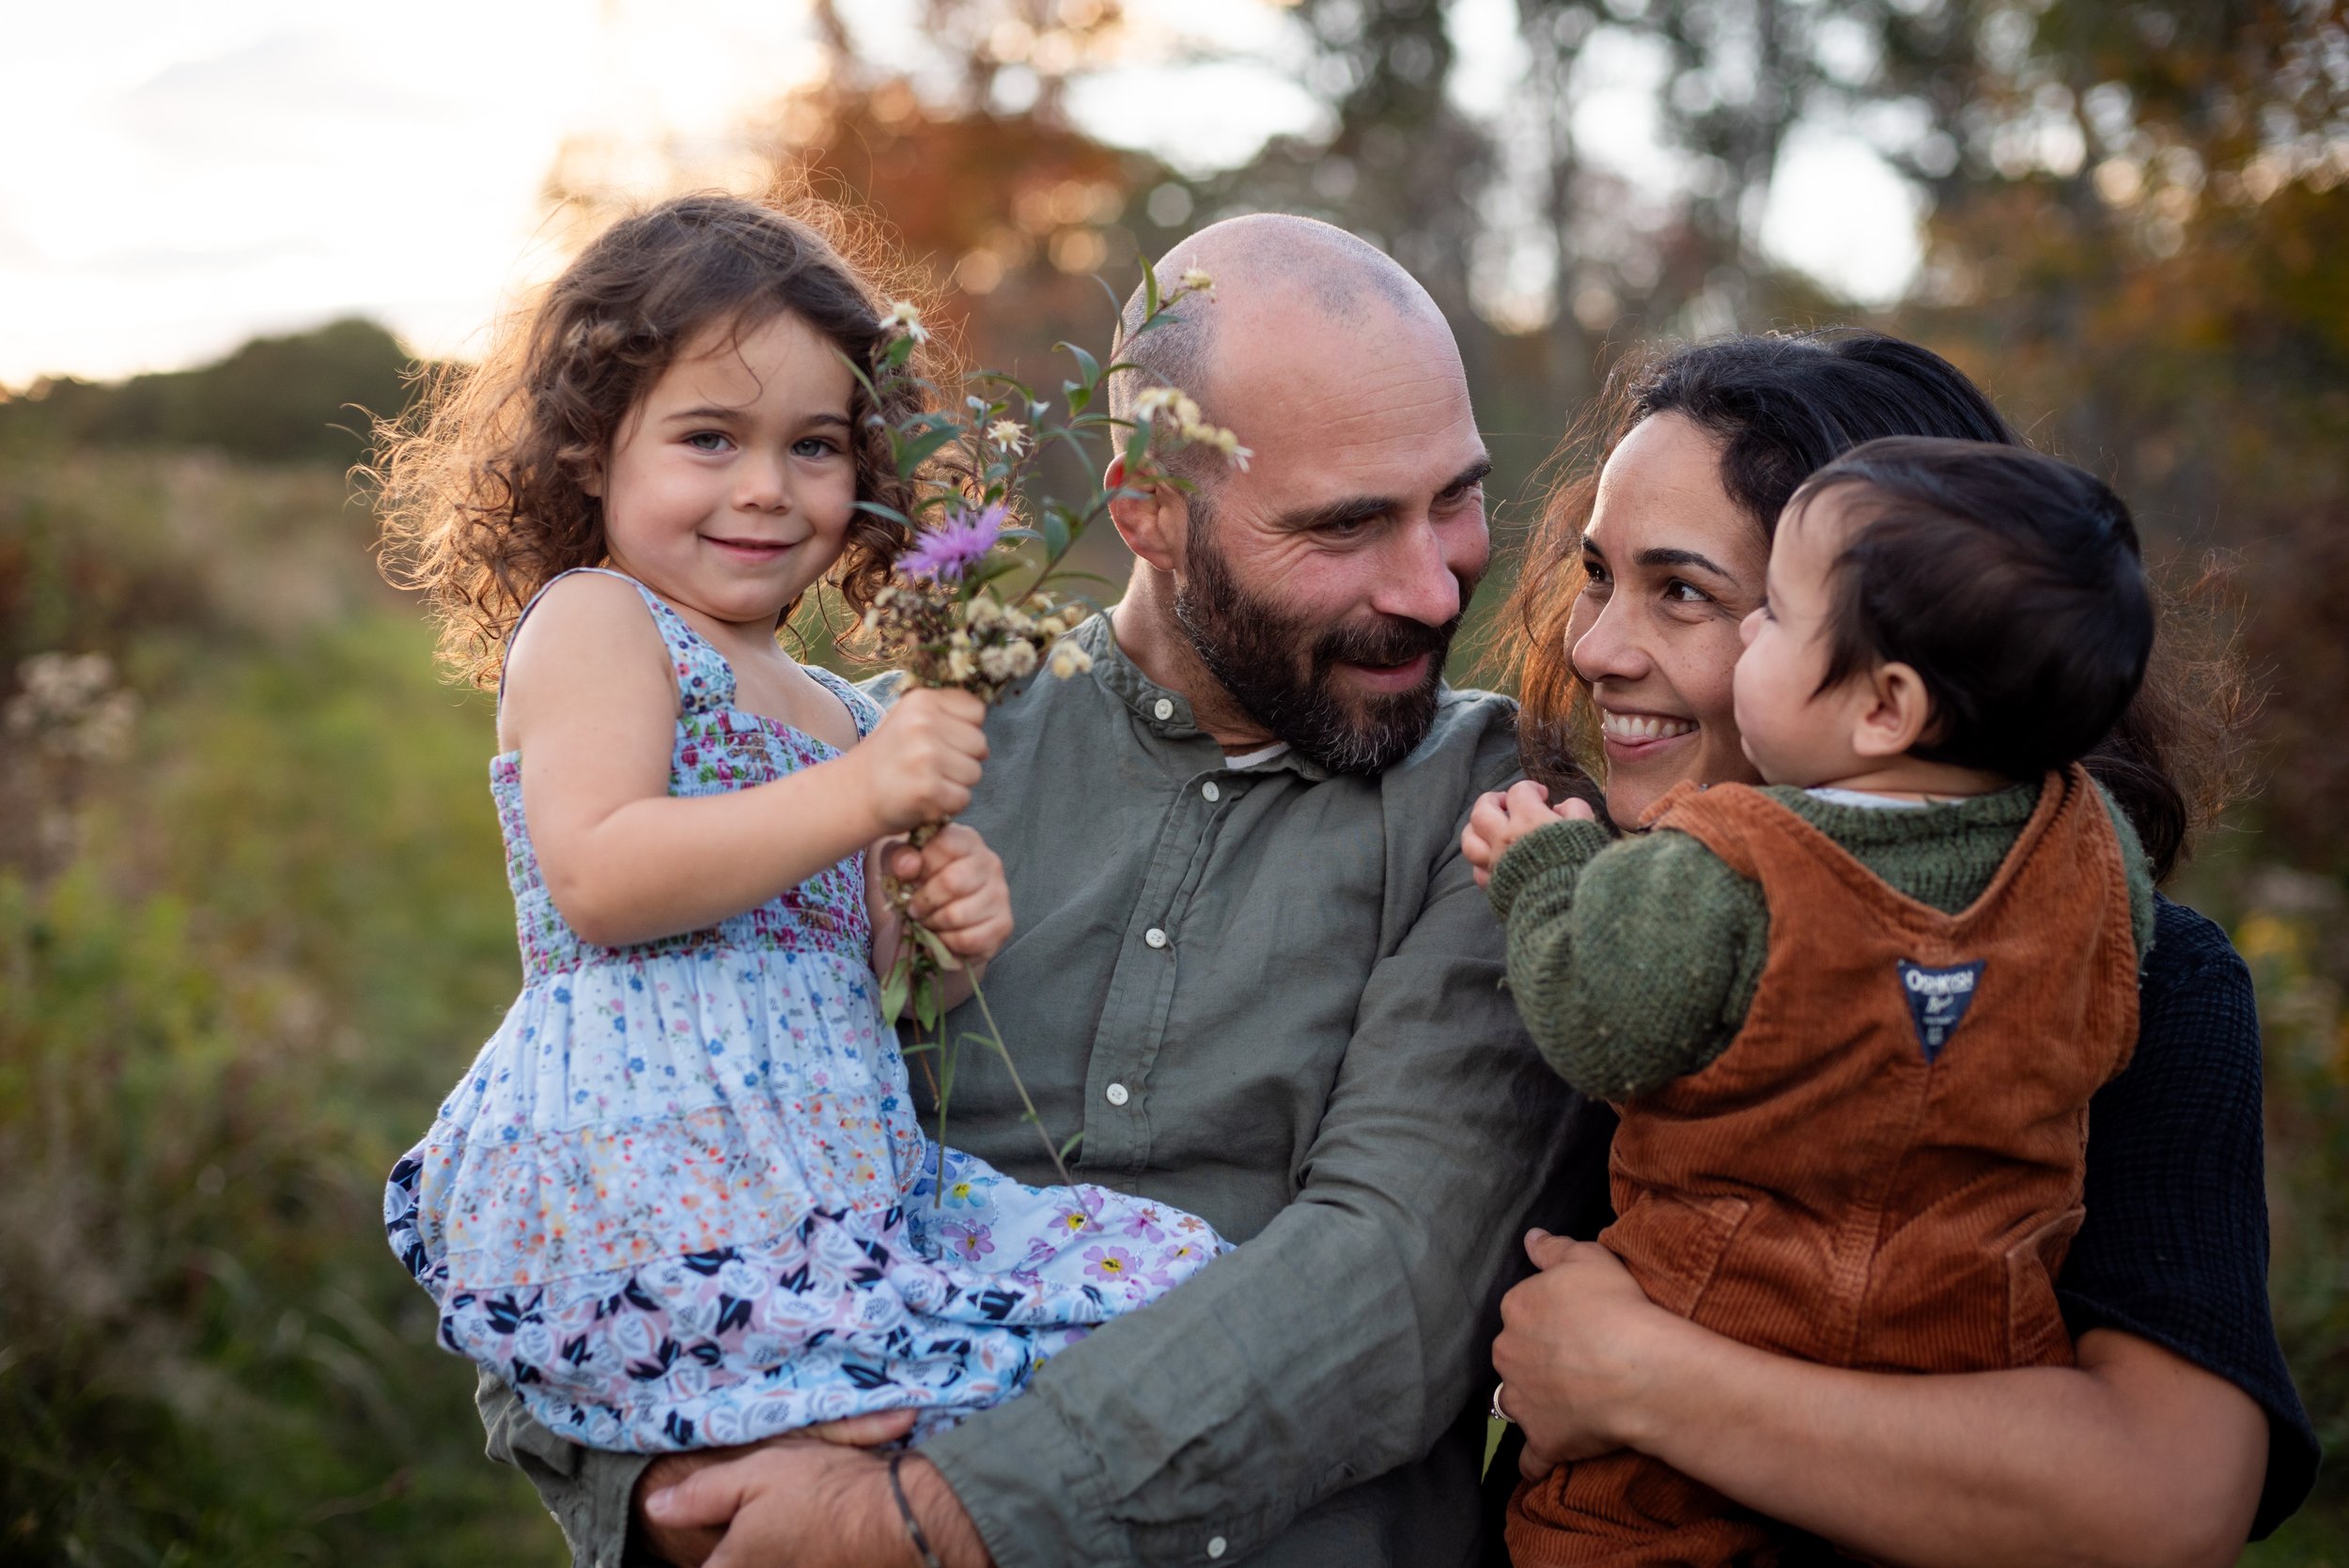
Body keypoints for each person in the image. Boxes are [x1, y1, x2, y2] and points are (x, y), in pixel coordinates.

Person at [466, 213, 1589, 1566]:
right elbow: (601, 1146)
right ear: (1146, 510)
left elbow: (1392, 1284)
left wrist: (923, 1520)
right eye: (1345, 525)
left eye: (1455, 498)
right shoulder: (876, 769)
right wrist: (654, 1493)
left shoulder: (1508, 818)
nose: (1431, 584)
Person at [374, 193, 1231, 1459]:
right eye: (709, 438)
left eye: (815, 446)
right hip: (647, 1194)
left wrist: (945, 939)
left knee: (1162, 1289)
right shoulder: (601, 623)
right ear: (592, 449)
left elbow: (858, 982)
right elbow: (601, 876)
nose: (767, 490)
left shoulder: (831, 707)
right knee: (892, 1422)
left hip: (822, 1183)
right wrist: (863, 791)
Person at [1486, 332, 2318, 1566]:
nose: (1597, 644)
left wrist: (1640, 1377)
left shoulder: (2135, 973)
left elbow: (2165, 1495)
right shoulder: (1571, 890)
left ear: (1897, 680)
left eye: (1690, 593)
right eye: (1597, 574)